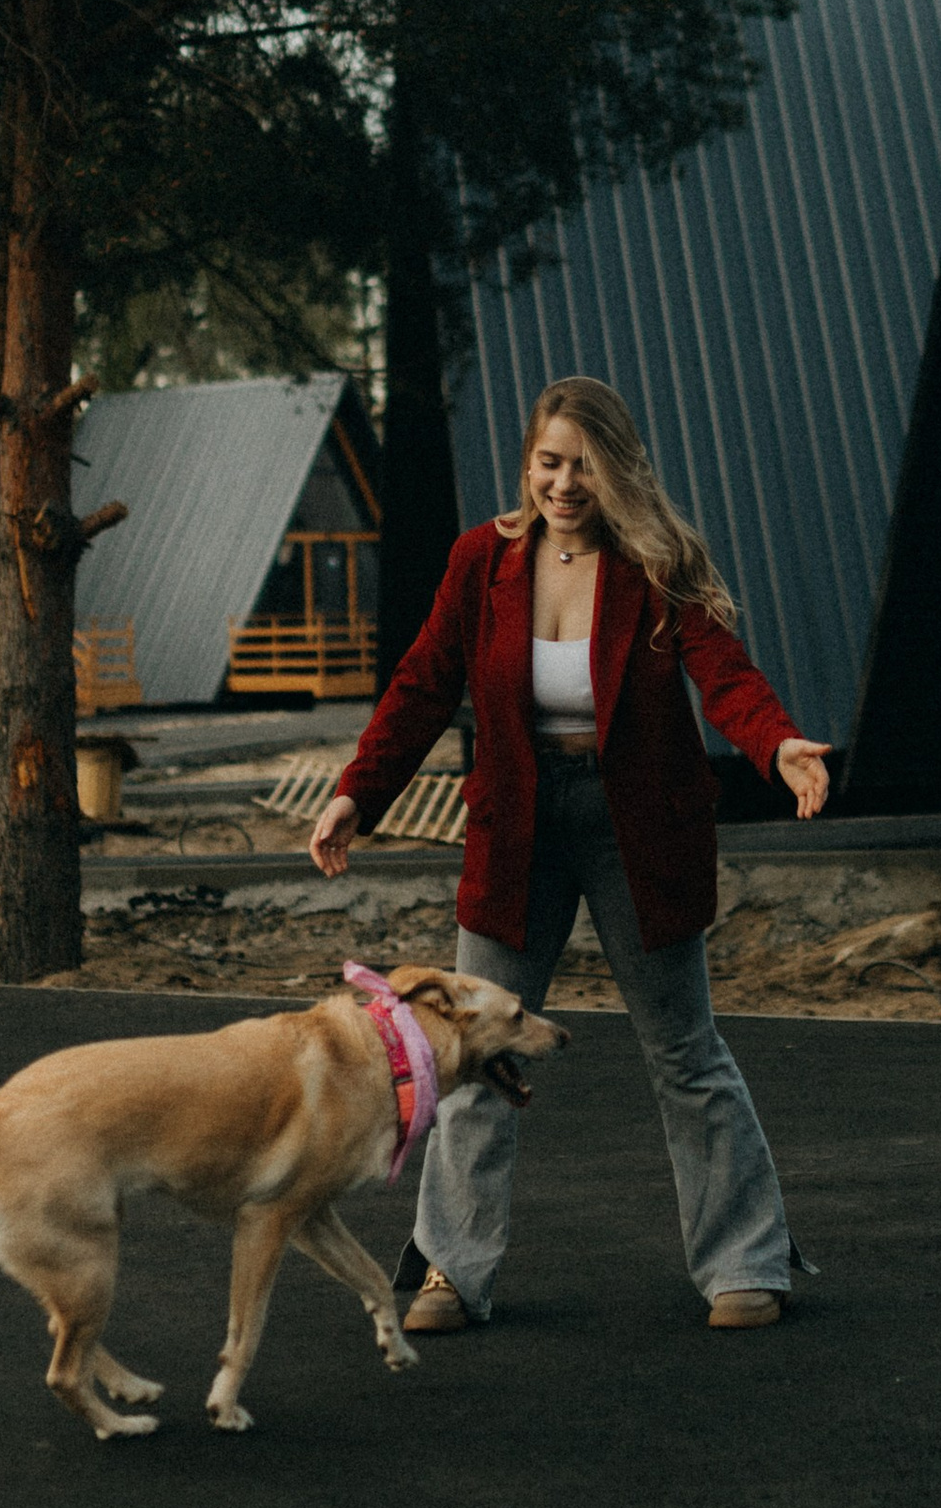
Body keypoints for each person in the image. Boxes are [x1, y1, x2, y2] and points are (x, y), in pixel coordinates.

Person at [309, 373, 828, 1333]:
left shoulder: (653, 562)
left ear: (615, 469)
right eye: (549, 462)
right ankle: (450, 1275)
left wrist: (778, 743)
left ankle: (746, 1262)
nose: (563, 483)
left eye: (583, 465)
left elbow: (725, 674)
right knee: (467, 1055)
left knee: (685, 1051)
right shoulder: (484, 562)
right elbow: (423, 685)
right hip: (520, 824)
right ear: (528, 465)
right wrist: (356, 793)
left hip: (638, 828)